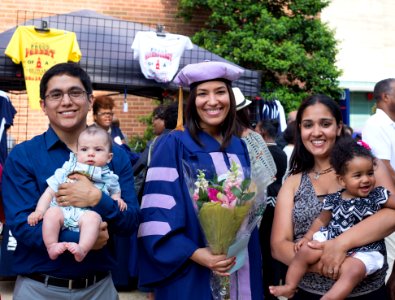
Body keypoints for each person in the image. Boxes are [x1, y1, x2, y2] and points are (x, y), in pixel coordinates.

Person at [2, 62, 139, 300]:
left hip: (99, 289)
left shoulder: (114, 158)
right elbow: (22, 226)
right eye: (56, 95)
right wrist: (83, 239)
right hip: (38, 290)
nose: (66, 101)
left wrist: (98, 199)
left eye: (75, 92)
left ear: (89, 100)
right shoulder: (24, 156)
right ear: (43, 105)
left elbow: (132, 221)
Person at [137, 61, 263, 299]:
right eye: (203, 94)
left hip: (240, 264)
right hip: (191, 272)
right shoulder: (174, 144)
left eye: (220, 92)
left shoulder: (239, 146)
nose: (213, 101)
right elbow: (156, 215)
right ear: (191, 101)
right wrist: (196, 253)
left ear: (231, 98)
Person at [271, 94, 395, 299]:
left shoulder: (367, 169)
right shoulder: (293, 182)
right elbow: (278, 247)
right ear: (300, 129)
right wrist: (332, 263)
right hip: (309, 293)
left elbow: (392, 214)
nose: (316, 132)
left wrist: (340, 244)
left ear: (338, 127)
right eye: (308, 125)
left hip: (368, 293)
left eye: (325, 124)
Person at [27, 125, 127, 262]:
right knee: (51, 214)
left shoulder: (109, 176)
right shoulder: (66, 169)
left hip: (86, 215)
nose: (90, 154)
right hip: (63, 211)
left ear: (109, 157)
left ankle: (82, 248)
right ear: (77, 153)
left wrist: (117, 199)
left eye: (98, 150)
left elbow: (115, 190)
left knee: (93, 219)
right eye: (84, 149)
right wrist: (39, 211)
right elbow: (49, 191)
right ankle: (51, 246)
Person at [362, 78, 395, 285]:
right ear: (385, 97)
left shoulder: (390, 124)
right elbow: (383, 168)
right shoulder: (376, 124)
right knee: (390, 265)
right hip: (388, 204)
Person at [255, 118, 288, 300]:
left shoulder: (266, 153)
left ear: (263, 133)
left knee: (268, 247)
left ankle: (270, 289)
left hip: (268, 200)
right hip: (277, 197)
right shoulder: (281, 152)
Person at [93, 94, 139, 165]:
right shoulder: (90, 132)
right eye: (104, 113)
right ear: (95, 116)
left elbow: (124, 152)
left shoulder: (116, 130)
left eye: (110, 113)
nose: (108, 116)